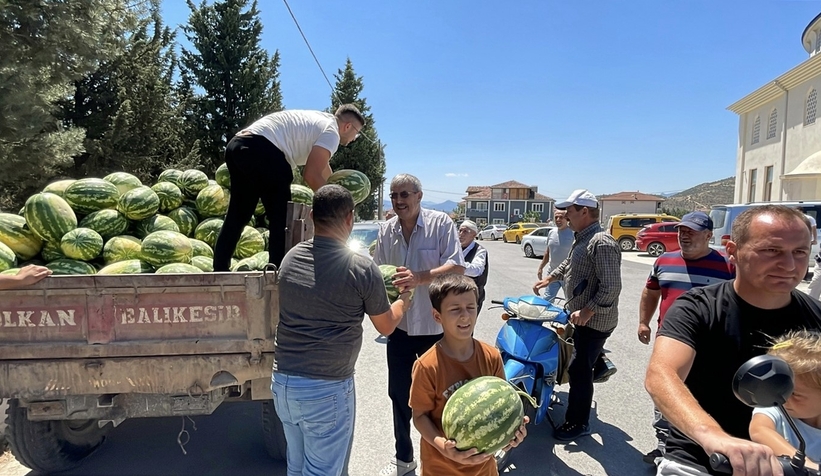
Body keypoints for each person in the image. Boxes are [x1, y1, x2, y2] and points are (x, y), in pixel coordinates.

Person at [645, 205, 821, 476]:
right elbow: (661, 375)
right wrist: (715, 437)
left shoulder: (815, 315)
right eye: (771, 251)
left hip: (795, 466)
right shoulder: (697, 307)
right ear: (733, 251)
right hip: (702, 458)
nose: (789, 265)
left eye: (800, 252)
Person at [272, 184, 412, 476]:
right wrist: (404, 300)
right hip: (326, 388)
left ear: (311, 215)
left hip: (284, 383)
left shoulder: (291, 258)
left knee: (296, 467)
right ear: (350, 218)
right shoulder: (360, 267)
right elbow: (385, 324)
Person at [373, 173, 466, 476]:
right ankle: (404, 459)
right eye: (394, 195)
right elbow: (380, 272)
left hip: (434, 328)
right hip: (400, 330)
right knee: (399, 395)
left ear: (419, 196)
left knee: (441, 397)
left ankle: (443, 457)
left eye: (405, 195)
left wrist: (419, 277)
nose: (399, 201)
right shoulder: (386, 231)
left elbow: (456, 265)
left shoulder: (441, 224)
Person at [213, 104, 365, 271]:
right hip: (263, 149)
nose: (354, 139)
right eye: (356, 133)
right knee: (282, 218)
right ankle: (277, 273)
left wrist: (336, 190)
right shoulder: (332, 134)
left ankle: (220, 270)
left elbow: (324, 171)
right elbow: (311, 175)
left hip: (238, 146)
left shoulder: (322, 122)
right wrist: (337, 207)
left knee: (239, 214)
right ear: (348, 126)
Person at [637, 211, 735, 466]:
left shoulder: (728, 264)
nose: (685, 235)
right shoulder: (664, 261)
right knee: (666, 394)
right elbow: (651, 292)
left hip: (713, 346)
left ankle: (706, 450)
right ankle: (664, 447)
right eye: (682, 231)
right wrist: (643, 322)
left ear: (709, 235)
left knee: (708, 397)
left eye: (692, 231)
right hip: (670, 343)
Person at [409, 274, 527, 476]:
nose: (465, 316)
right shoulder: (427, 366)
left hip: (484, 470)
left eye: (470, 307)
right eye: (455, 309)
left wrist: (512, 432)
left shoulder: (491, 356)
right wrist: (442, 445)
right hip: (440, 468)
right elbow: (419, 416)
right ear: (438, 316)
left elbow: (502, 406)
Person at [531, 189, 622, 441]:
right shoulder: (582, 237)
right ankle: (599, 361)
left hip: (595, 320)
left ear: (584, 211)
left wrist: (588, 309)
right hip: (580, 316)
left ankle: (578, 423)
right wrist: (550, 277)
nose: (565, 215)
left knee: (579, 371)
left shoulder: (601, 242)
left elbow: (611, 287)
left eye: (569, 211)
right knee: (578, 360)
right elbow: (570, 264)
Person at [749, 329, 821, 470]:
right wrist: (806, 465)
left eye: (795, 394)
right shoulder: (775, 405)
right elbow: (759, 430)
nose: (784, 397)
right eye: (781, 388)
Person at [536, 209, 574, 302]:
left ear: (567, 219)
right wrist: (541, 268)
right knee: (547, 301)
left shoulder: (573, 233)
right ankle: (547, 317)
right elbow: (548, 252)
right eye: (556, 217)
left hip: (568, 275)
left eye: (561, 217)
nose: (558, 219)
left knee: (570, 303)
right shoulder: (551, 233)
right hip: (552, 274)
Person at [457, 220, 488, 313]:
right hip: (454, 294)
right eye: (460, 231)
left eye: (465, 231)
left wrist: (457, 266)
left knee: (466, 325)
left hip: (472, 296)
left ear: (474, 235)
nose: (461, 234)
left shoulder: (480, 250)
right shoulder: (455, 248)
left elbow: (477, 270)